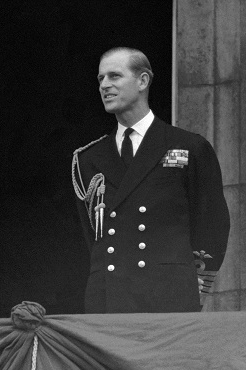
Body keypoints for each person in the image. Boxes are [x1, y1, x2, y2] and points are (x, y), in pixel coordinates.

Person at [72, 47, 230, 313]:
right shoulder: (88, 158)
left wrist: (194, 286)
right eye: (101, 79)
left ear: (143, 81)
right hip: (108, 299)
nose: (105, 86)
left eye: (114, 76)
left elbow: (211, 224)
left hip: (169, 297)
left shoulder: (189, 147)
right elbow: (91, 235)